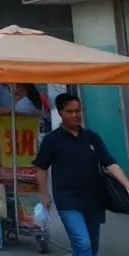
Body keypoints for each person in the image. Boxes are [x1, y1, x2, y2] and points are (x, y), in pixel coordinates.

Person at [34, 92, 129, 256]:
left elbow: (110, 162)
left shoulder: (92, 137)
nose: (75, 115)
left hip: (93, 200)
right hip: (67, 201)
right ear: (61, 113)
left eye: (78, 111)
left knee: (91, 248)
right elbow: (41, 168)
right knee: (83, 244)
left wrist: (127, 184)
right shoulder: (52, 140)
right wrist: (43, 194)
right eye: (70, 111)